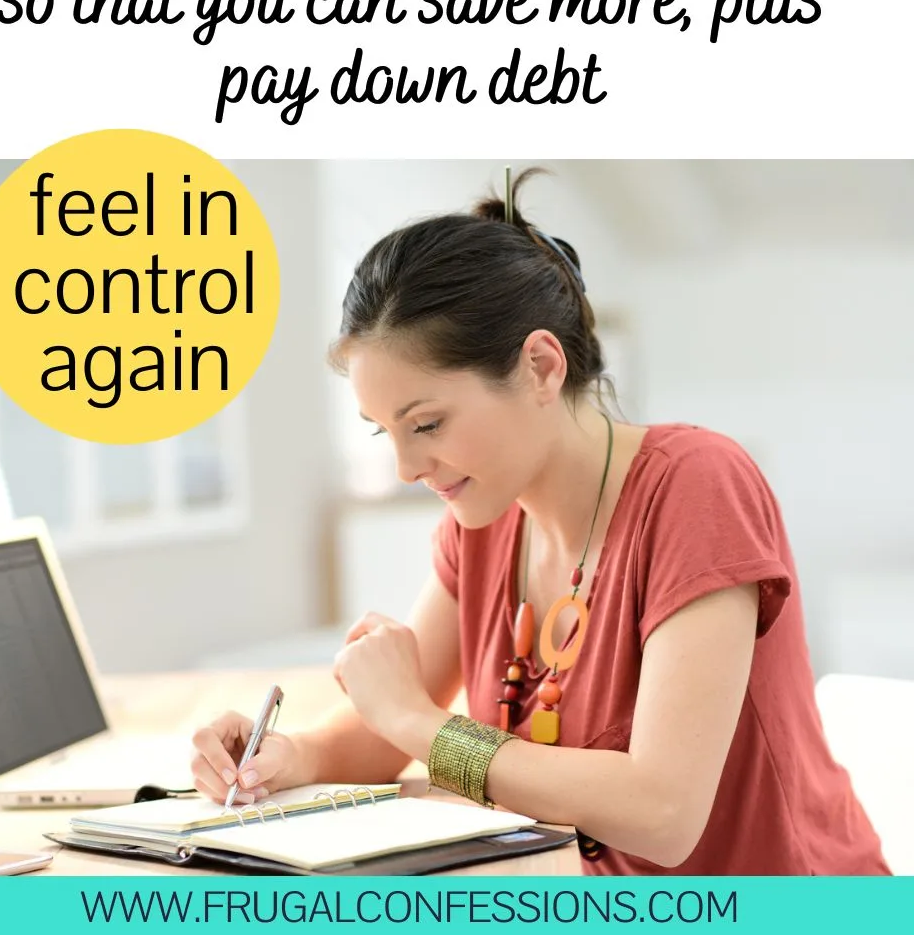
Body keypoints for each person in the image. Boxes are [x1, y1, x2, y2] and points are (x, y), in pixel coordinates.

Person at [190, 170, 890, 875]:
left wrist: (417, 723)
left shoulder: (698, 487)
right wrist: (288, 756)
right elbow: (387, 722)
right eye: (384, 432)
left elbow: (664, 814)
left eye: (426, 423)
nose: (406, 466)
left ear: (541, 367)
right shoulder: (484, 519)